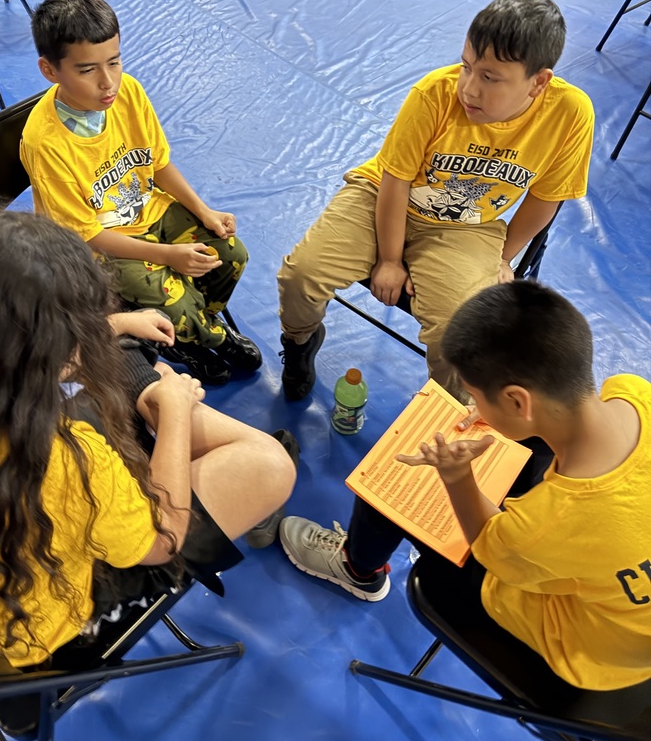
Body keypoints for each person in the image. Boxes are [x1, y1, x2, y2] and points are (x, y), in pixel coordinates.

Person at [0, 210, 297, 668]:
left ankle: (157, 395)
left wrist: (117, 327)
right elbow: (164, 540)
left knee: (130, 366)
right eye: (78, 333)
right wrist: (176, 411)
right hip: (45, 627)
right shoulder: (63, 457)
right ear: (45, 353)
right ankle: (230, 478)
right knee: (266, 460)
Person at [279, 281, 651, 700]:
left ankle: (358, 570)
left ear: (517, 402)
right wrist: (502, 414)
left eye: (475, 396)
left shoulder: (545, 525)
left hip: (585, 653)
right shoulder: (634, 392)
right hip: (632, 628)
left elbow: (492, 547)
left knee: (392, 487)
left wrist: (457, 475)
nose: (472, 404)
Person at [277, 0, 594, 402]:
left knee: (462, 335)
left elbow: (544, 199)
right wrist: (390, 260)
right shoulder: (434, 94)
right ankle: (300, 342)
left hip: (467, 226)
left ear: (538, 82)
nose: (469, 89)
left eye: (489, 77)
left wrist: (503, 257)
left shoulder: (571, 114)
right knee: (301, 274)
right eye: (466, 67)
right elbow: (395, 180)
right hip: (383, 198)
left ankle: (442, 412)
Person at [21, 0, 261, 386]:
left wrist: (204, 212)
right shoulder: (44, 143)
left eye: (114, 62)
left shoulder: (127, 91)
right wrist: (168, 255)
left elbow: (159, 163)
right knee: (178, 302)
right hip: (100, 249)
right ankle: (201, 338)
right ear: (50, 70)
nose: (107, 82)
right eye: (87, 70)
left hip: (150, 212)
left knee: (230, 253)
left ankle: (192, 330)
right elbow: (92, 236)